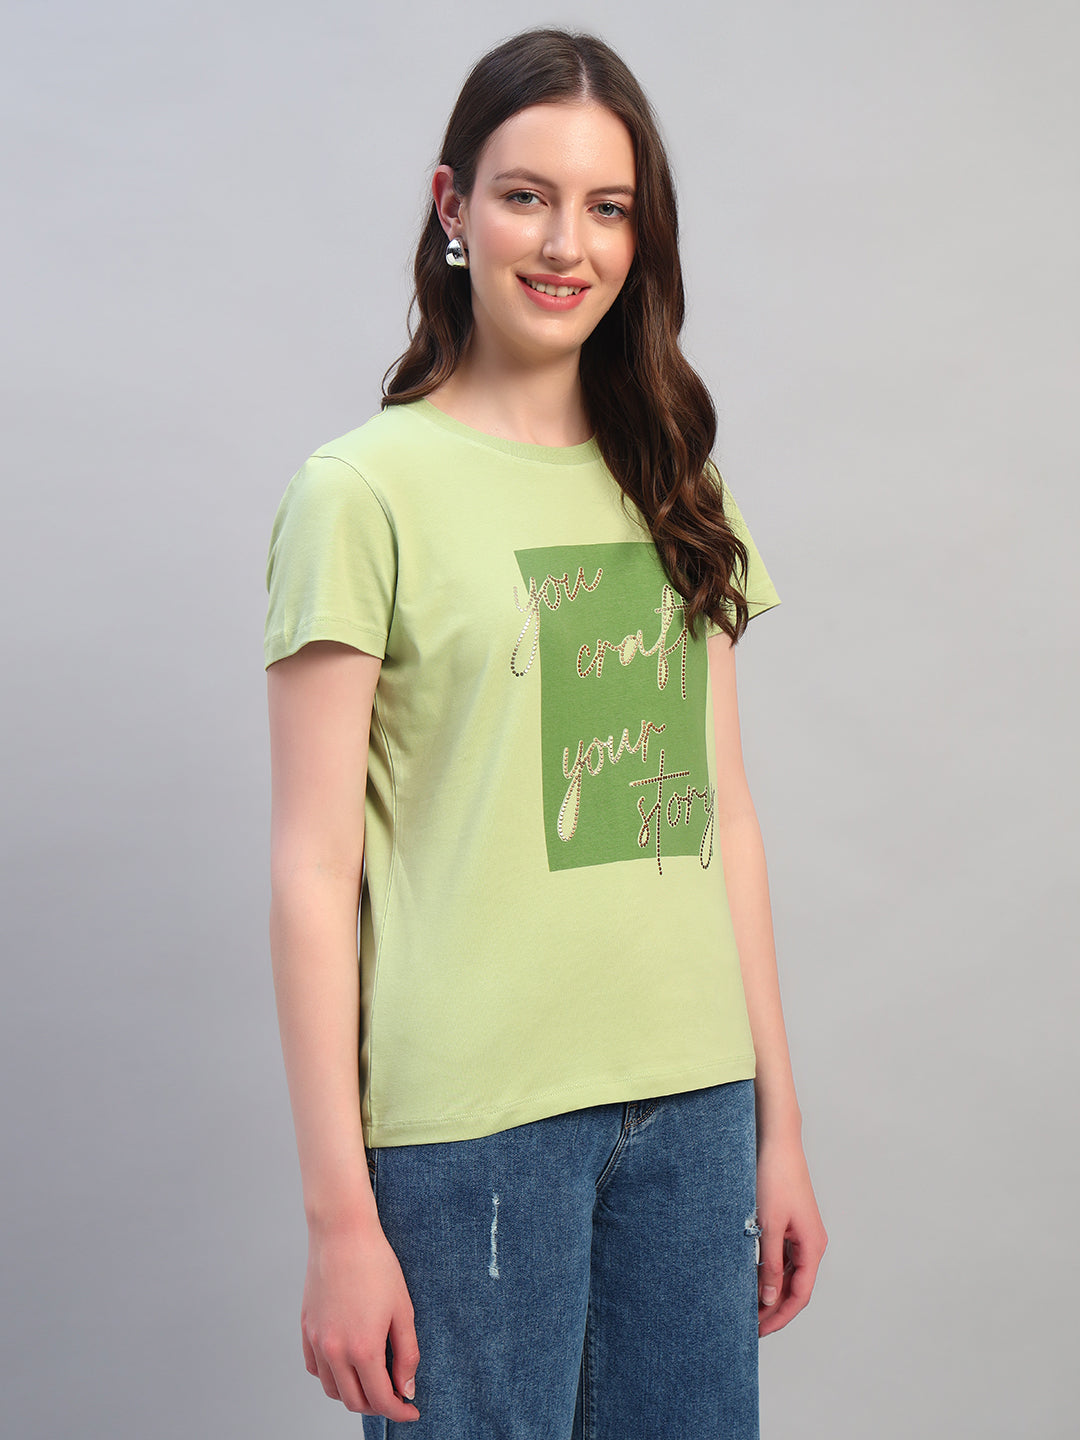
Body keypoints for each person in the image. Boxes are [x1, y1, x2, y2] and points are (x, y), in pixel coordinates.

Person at [263, 26, 827, 1439]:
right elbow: (313, 871)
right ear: (453, 207)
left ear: (641, 233)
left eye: (608, 205)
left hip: (692, 1114)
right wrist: (340, 1219)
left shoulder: (678, 485)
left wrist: (780, 1129)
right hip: (472, 1138)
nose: (568, 243)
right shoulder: (361, 494)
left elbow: (723, 814)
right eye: (527, 196)